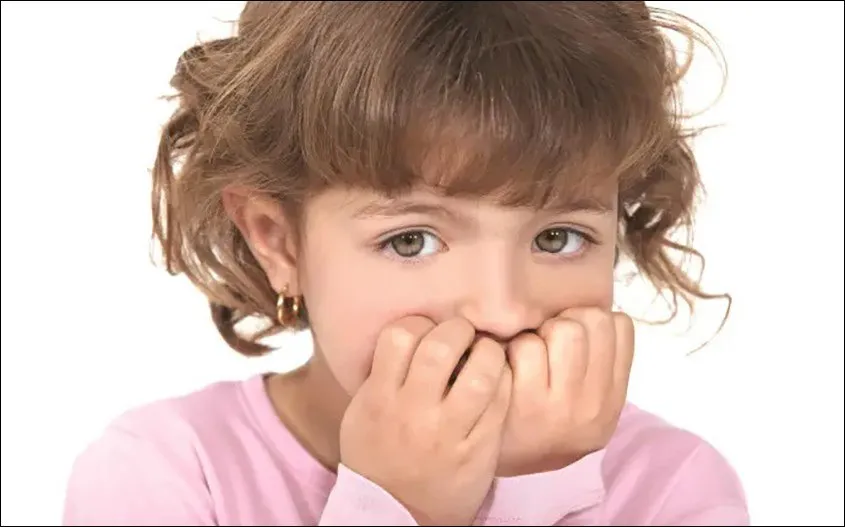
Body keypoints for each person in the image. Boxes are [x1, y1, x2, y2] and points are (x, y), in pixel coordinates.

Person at [62, 2, 749, 525]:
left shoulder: (673, 486)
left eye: (557, 238)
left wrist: (538, 487)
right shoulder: (166, 475)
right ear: (279, 242)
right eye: (411, 241)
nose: (502, 311)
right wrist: (395, 508)